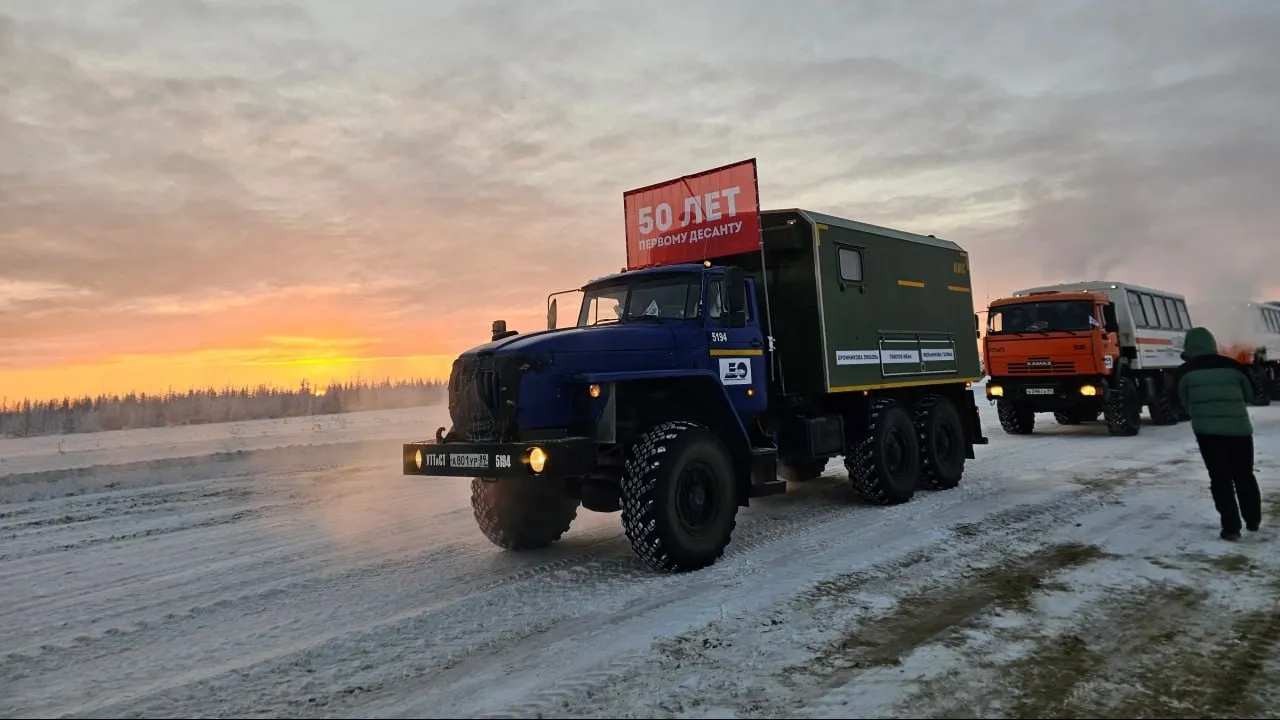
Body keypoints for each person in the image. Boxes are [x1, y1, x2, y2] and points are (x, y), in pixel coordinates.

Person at [1174, 326, 1261, 541]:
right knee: (1244, 476)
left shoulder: (1185, 372)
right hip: (1239, 431)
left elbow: (1182, 402)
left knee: (1220, 478)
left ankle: (1231, 528)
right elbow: (1250, 394)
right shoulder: (1234, 367)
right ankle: (1252, 519)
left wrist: (1198, 413)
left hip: (1207, 433)